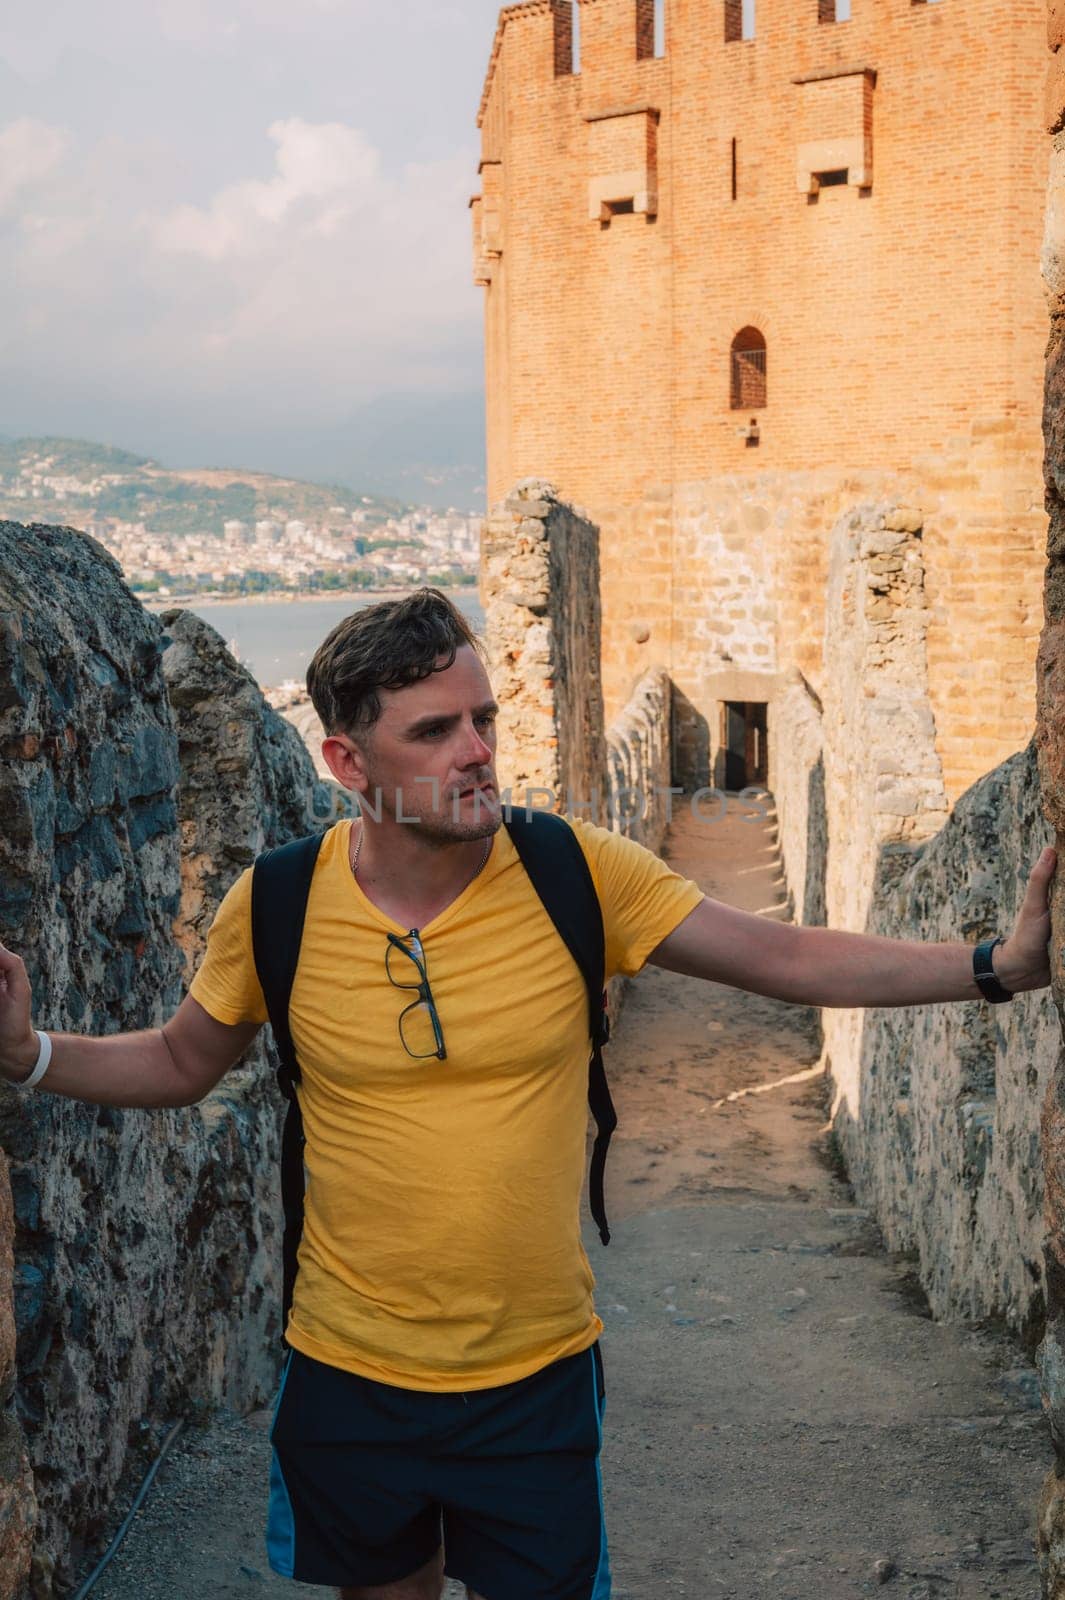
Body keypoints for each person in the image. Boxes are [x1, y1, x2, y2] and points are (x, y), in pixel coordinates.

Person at [0, 588, 1055, 1600]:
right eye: (434, 731)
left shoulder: (571, 872)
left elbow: (784, 956)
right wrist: (32, 1054)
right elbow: (185, 1060)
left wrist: (993, 966)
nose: (476, 751)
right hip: (348, 1368)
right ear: (345, 761)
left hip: (534, 1372)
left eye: (484, 718)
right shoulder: (277, 901)